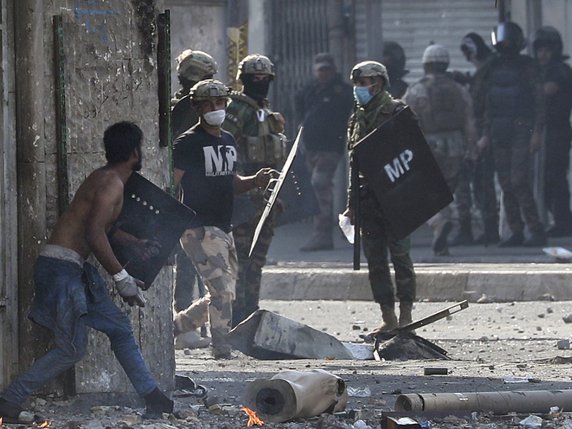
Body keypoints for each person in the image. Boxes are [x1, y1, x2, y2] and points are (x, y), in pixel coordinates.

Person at [0, 122, 173, 423]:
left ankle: (153, 397)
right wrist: (121, 278)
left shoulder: (103, 178)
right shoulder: (111, 184)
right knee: (71, 349)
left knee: (119, 328)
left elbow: (101, 228)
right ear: (134, 152)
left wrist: (134, 243)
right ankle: (9, 400)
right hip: (61, 270)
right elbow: (95, 234)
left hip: (71, 269)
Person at [173, 79, 273, 359]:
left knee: (224, 292)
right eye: (208, 104)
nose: (215, 108)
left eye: (219, 103)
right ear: (197, 107)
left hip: (223, 228)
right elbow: (172, 184)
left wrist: (255, 181)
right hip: (199, 228)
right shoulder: (188, 143)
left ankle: (177, 326)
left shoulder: (228, 140)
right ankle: (222, 348)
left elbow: (231, 181)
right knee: (222, 292)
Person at [343, 60, 417, 332]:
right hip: (367, 197)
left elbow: (413, 154)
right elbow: (354, 164)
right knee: (375, 260)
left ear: (379, 82)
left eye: (364, 83)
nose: (359, 89)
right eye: (356, 84)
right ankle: (388, 317)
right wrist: (351, 204)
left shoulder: (396, 111)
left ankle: (407, 315)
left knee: (400, 257)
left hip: (395, 194)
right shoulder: (356, 118)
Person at [223, 54, 287, 327]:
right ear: (244, 80)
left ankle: (250, 312)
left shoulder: (266, 113)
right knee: (240, 261)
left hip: (266, 198)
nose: (260, 82)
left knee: (257, 261)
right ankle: (235, 316)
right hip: (243, 197)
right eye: (254, 78)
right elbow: (224, 148)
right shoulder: (237, 110)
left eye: (264, 78)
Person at [476, 22, 547, 247]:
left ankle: (535, 229)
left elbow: (539, 102)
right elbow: (488, 103)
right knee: (506, 183)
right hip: (498, 130)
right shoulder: (492, 67)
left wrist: (537, 132)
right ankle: (516, 231)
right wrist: (485, 133)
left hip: (521, 128)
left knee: (518, 181)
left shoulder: (528, 67)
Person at [404, 44, 478, 256]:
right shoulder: (460, 90)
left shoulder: (416, 89)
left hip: (428, 145)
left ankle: (438, 223)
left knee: (428, 192)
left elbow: (404, 120)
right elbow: (470, 123)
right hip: (455, 146)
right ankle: (441, 237)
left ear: (426, 64)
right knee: (447, 191)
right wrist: (472, 149)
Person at [170, 49, 218, 349]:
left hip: (198, 191)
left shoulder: (184, 105)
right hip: (190, 193)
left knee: (199, 260)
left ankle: (196, 323)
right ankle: (184, 324)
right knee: (191, 261)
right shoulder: (185, 109)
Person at [294, 52, 353, 251]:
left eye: (327, 69)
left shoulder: (343, 91)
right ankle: (335, 229)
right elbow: (299, 107)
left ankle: (323, 234)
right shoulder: (310, 90)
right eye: (321, 70)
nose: (324, 74)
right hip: (311, 147)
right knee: (318, 188)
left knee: (319, 184)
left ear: (334, 70)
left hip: (331, 148)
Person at [451, 33, 500, 246]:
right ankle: (489, 229)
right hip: (478, 133)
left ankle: (490, 229)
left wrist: (486, 135)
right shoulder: (483, 70)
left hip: (484, 134)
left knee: (483, 182)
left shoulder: (489, 69)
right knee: (480, 183)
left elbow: (489, 105)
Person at [533, 26, 572, 237]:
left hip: (557, 131)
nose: (543, 54)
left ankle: (563, 221)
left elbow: (547, 91)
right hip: (543, 130)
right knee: (545, 179)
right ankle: (561, 219)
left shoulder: (560, 70)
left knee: (554, 177)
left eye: (547, 49)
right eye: (539, 49)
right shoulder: (540, 70)